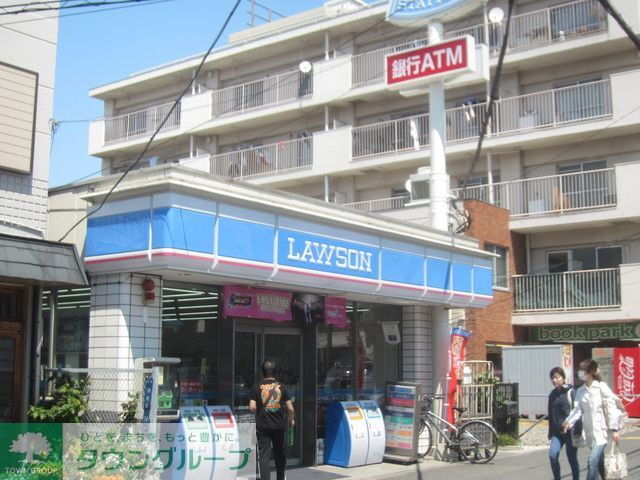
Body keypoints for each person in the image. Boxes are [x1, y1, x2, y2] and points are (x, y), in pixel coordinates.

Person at [562, 359, 621, 480]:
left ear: (591, 372)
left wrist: (614, 429)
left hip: (602, 432)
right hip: (589, 433)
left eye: (583, 370)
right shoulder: (580, 391)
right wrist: (568, 421)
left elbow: (611, 408)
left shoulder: (601, 387)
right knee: (599, 462)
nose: (580, 372)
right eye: (580, 369)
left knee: (591, 461)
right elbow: (577, 410)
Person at [249, 360, 295, 480]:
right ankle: (280, 477)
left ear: (262, 372)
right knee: (279, 453)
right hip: (279, 426)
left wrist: (260, 411)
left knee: (264, 455)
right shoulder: (282, 387)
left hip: (263, 426)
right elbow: (290, 408)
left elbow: (252, 407)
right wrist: (291, 419)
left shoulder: (256, 387)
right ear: (275, 372)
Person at [547, 367, 580, 480]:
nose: (554, 380)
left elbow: (578, 412)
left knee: (572, 459)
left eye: (557, 377)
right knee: (553, 455)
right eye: (552, 378)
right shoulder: (552, 394)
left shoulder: (571, 392)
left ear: (563, 378)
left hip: (570, 432)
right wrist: (550, 432)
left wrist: (578, 431)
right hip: (557, 433)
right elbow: (551, 415)